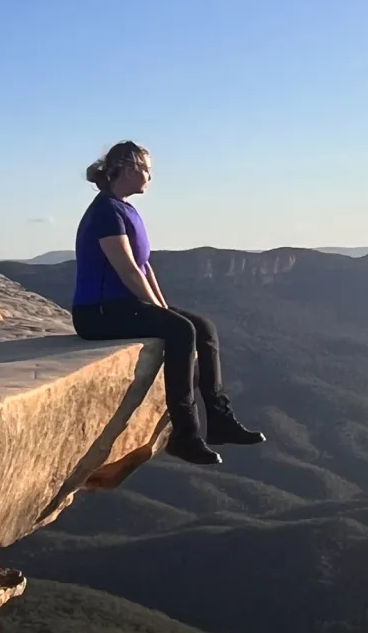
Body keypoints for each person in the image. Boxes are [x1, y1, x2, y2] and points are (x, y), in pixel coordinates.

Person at [70, 140, 264, 466]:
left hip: (122, 306)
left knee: (202, 327)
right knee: (181, 332)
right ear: (130, 168)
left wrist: (163, 306)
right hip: (97, 314)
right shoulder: (106, 212)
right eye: (147, 169)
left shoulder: (125, 209)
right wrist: (162, 314)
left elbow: (144, 265)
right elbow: (128, 269)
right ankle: (185, 435)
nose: (150, 176)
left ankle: (219, 419)